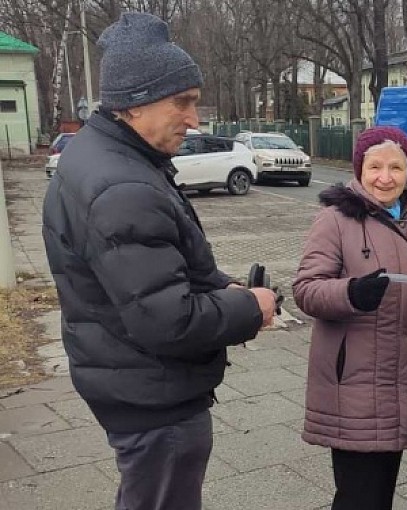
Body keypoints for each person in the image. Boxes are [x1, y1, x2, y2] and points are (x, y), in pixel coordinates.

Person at [41, 12, 278, 510]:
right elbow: (167, 321)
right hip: (153, 395)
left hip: (126, 377)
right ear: (133, 102)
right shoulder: (123, 184)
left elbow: (158, 266)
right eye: (183, 102)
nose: (194, 120)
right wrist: (251, 308)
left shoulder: (105, 156)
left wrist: (221, 284)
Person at [292, 126, 407, 510]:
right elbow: (306, 289)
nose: (386, 177)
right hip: (353, 384)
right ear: (359, 171)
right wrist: (351, 293)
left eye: (396, 168)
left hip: (399, 379)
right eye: (375, 167)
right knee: (358, 497)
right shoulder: (335, 219)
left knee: (380, 495)